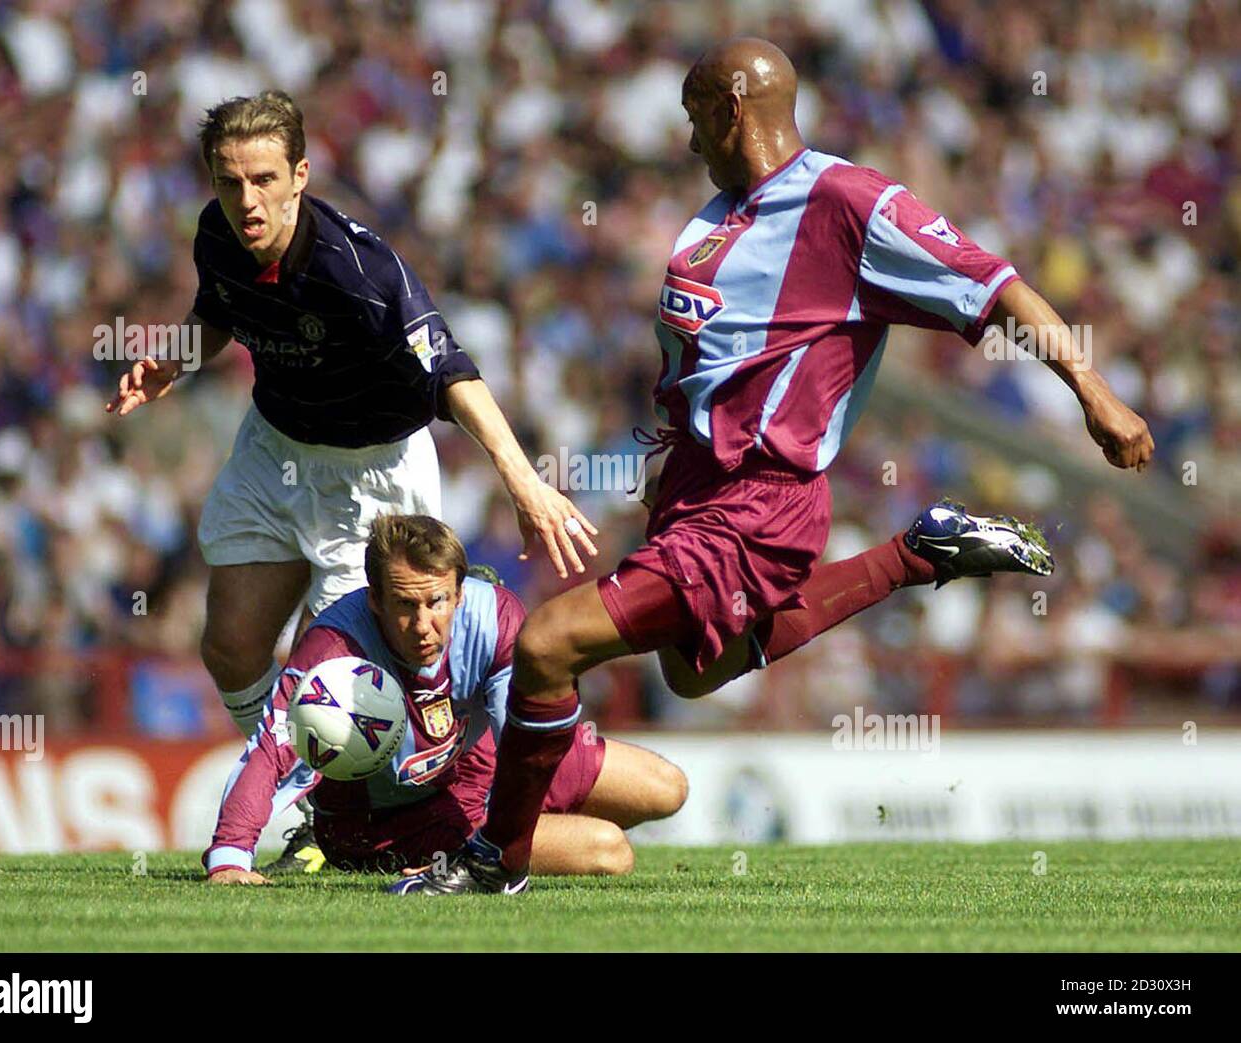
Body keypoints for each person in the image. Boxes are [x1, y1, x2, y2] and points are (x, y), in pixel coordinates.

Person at [394, 38, 1154, 895]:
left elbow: (993, 280)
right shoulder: (715, 217)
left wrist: (1093, 388)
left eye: (693, 120)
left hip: (760, 504)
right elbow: (715, 355)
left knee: (546, 643)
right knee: (691, 673)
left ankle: (498, 857)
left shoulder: (846, 202)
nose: (686, 144)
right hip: (693, 488)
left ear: (729, 110)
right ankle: (917, 553)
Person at [104, 91, 597, 872]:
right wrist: (173, 357)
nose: (247, 199)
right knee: (230, 645)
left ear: (301, 174)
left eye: (265, 178)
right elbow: (222, 310)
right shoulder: (216, 234)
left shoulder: (358, 272)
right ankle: (312, 804)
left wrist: (523, 481)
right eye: (230, 181)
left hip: (374, 475)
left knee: (333, 668)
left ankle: (380, 818)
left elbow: (454, 371)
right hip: (275, 445)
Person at [203, 514, 685, 885]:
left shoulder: (493, 615)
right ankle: (465, 852)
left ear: (458, 593)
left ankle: (520, 833)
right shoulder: (333, 650)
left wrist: (508, 817)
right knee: (608, 849)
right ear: (375, 600)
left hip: (479, 770)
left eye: (436, 602)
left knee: (667, 787)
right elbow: (270, 750)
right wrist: (230, 854)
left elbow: (518, 736)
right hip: (390, 820)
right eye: (405, 605)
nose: (422, 624)